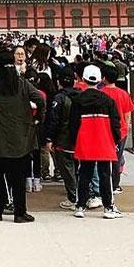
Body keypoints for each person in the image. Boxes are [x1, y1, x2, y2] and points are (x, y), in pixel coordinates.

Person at [0, 50, 45, 224]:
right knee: (18, 177)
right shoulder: (22, 83)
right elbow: (40, 99)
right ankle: (19, 212)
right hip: (20, 138)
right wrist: (37, 117)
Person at [69, 66, 123, 220]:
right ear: (100, 80)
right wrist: (116, 139)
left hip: (85, 140)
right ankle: (108, 207)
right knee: (105, 174)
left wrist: (75, 142)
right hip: (104, 140)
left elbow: (73, 124)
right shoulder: (108, 100)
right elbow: (115, 123)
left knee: (84, 173)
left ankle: (80, 206)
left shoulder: (77, 100)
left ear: (83, 79)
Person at [44, 71, 79, 211]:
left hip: (63, 139)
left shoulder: (59, 98)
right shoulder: (81, 96)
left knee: (67, 169)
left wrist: (49, 138)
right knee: (78, 168)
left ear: (59, 83)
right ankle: (82, 195)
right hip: (79, 139)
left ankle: (73, 197)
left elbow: (54, 120)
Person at [99, 64, 133, 194]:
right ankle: (115, 184)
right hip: (120, 130)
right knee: (117, 158)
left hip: (104, 130)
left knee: (103, 158)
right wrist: (126, 128)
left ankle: (104, 183)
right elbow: (127, 114)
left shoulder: (100, 93)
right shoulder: (123, 94)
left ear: (104, 78)